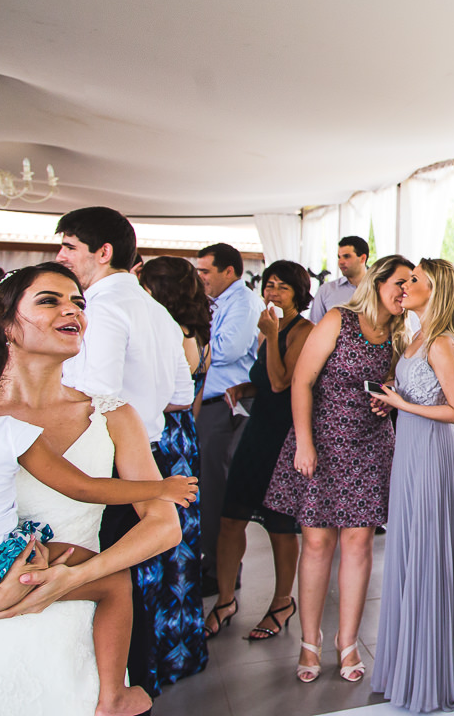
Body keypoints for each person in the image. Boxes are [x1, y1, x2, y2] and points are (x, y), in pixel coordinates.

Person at [0, 281, 195, 716]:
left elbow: (165, 527)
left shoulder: (112, 414)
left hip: (71, 622)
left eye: (78, 301)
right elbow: (82, 486)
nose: (72, 310)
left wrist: (74, 579)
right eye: (49, 300)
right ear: (5, 326)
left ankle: (110, 695)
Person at [55, 207, 197, 695]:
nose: (60, 256)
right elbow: (182, 393)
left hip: (106, 456)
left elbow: (97, 392)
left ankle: (105, 688)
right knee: (132, 575)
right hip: (149, 450)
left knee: (106, 578)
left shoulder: (102, 308)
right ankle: (135, 681)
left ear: (103, 252)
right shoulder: (156, 311)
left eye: (69, 246)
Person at [264, 255, 412, 684]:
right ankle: (310, 640)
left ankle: (347, 642)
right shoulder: (338, 319)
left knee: (360, 544)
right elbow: (302, 382)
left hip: (370, 445)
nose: (405, 292)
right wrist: (305, 442)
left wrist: (389, 397)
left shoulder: (400, 333)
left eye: (411, 285)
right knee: (315, 543)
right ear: (379, 280)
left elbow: (396, 386)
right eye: (399, 283)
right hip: (323, 440)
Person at [368, 258, 454, 711]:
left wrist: (403, 404)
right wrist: (392, 403)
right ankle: (411, 663)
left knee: (429, 554)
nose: (406, 284)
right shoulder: (415, 335)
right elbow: (420, 397)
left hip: (435, 454)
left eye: (416, 279)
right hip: (413, 448)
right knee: (411, 550)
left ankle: (434, 673)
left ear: (435, 290)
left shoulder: (440, 341)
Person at [206, 261, 314, 642]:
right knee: (231, 517)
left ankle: (282, 601)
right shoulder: (267, 330)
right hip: (257, 431)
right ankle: (224, 599)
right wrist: (243, 389)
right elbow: (263, 383)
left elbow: (282, 381)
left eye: (282, 287)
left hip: (285, 437)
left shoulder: (305, 331)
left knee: (279, 526)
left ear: (298, 293)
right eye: (269, 286)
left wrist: (271, 335)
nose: (272, 293)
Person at [139, 255, 214, 681]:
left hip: (167, 440)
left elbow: (177, 397)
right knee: (176, 541)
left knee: (168, 542)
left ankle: (168, 649)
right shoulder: (193, 332)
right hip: (183, 437)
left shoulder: (179, 336)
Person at [194, 242, 264, 589]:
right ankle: (212, 563)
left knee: (216, 489)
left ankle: (222, 572)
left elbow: (226, 350)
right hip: (208, 405)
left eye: (206, 271)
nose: (201, 277)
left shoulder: (244, 302)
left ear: (229, 271)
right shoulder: (218, 302)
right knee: (205, 488)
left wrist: (187, 345)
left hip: (227, 406)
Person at [308, 235, 369, 324]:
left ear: (363, 258)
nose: (341, 262)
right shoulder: (326, 291)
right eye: (339, 257)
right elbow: (314, 326)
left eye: (346, 256)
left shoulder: (380, 288)